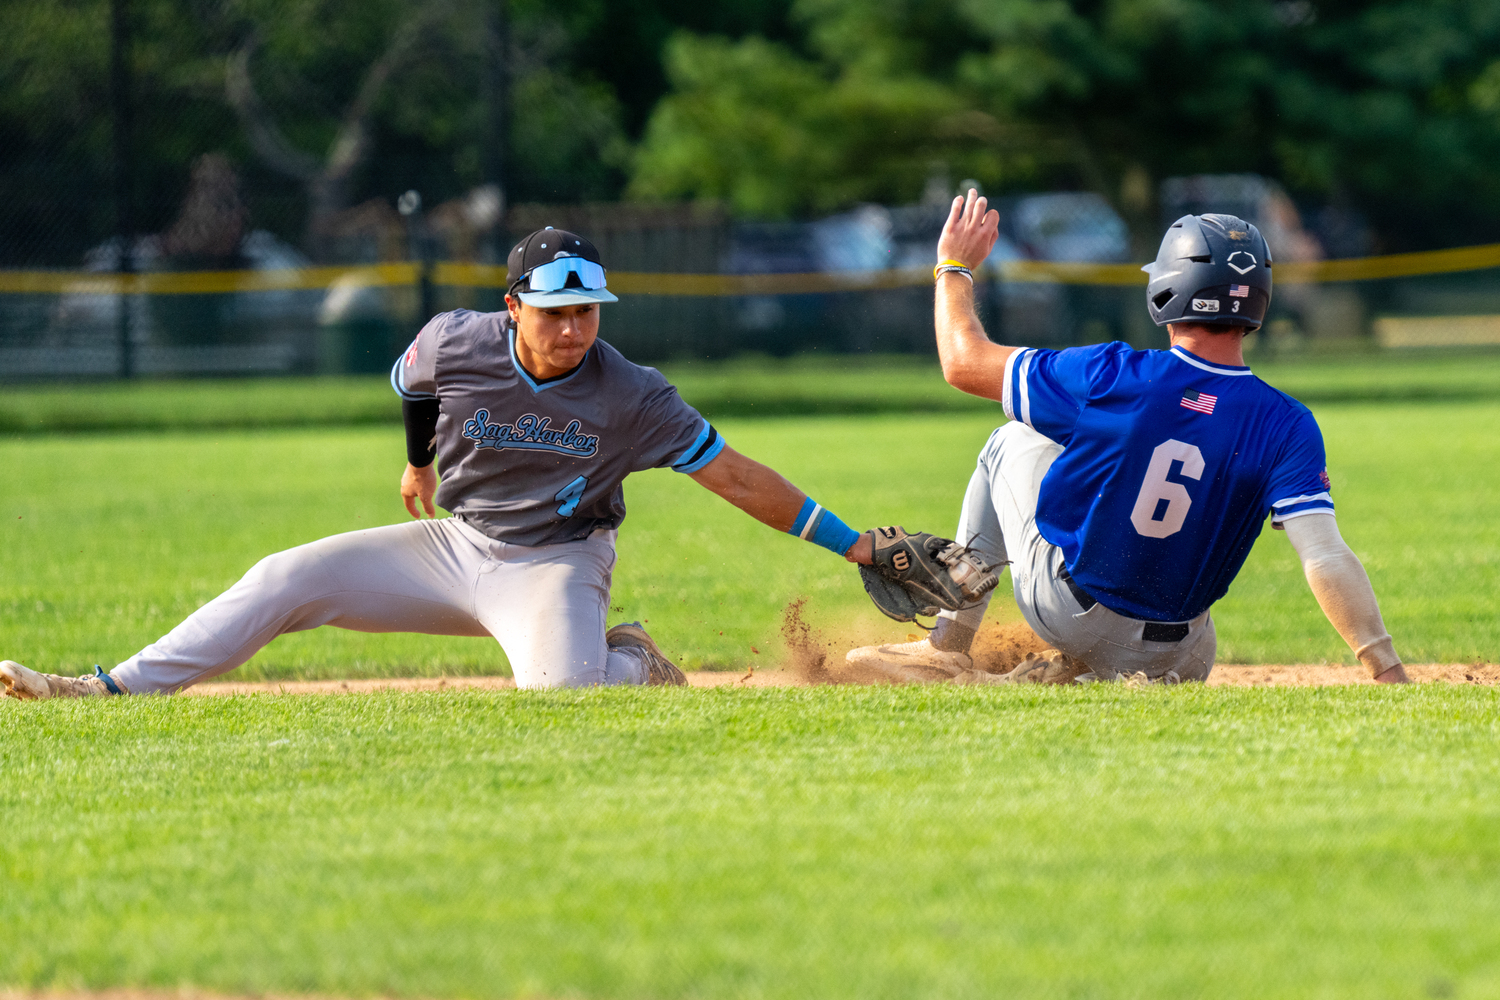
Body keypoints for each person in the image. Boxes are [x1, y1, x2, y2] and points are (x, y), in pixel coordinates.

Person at [2, 227, 881, 700]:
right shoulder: (454, 341)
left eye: (589, 311)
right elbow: (415, 386)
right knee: (281, 577)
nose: (574, 328)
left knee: (565, 696)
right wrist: (418, 465)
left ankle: (630, 658)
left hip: (555, 561)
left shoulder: (634, 394)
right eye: (555, 312)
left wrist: (856, 548)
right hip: (457, 546)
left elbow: (736, 477)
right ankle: (102, 687)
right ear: (513, 307)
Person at [847, 193, 1409, 685]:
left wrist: (953, 267)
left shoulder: (1113, 376)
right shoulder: (1286, 421)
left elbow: (962, 363)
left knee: (1009, 439)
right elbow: (1326, 556)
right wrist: (1386, 668)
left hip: (1072, 616)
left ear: (1169, 289)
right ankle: (1092, 672)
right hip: (1189, 656)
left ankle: (946, 647)